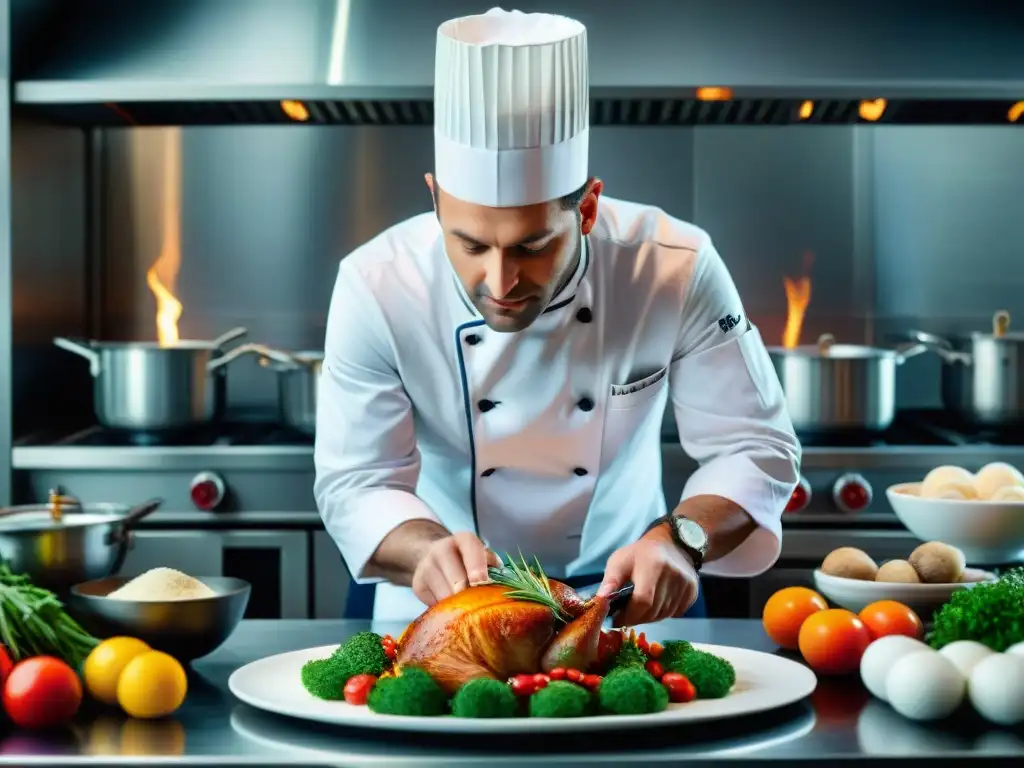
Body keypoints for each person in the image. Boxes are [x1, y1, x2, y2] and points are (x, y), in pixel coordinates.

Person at [314, 7, 801, 624]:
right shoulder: (375, 284)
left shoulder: (674, 266)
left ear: (588, 208)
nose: (500, 282)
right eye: (469, 244)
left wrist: (681, 540)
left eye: (531, 246)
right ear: (436, 198)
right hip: (444, 599)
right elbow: (356, 482)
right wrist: (426, 550)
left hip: (633, 594)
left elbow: (754, 446)